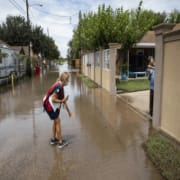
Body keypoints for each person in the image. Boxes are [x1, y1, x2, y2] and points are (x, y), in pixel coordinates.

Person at [43, 72, 72, 148]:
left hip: (49, 105)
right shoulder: (59, 87)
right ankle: (60, 142)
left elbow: (63, 100)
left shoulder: (60, 85)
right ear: (65, 80)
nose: (68, 82)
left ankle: (53, 139)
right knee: (58, 121)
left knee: (55, 121)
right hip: (49, 105)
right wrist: (62, 101)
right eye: (68, 80)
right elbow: (53, 99)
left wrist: (68, 111)